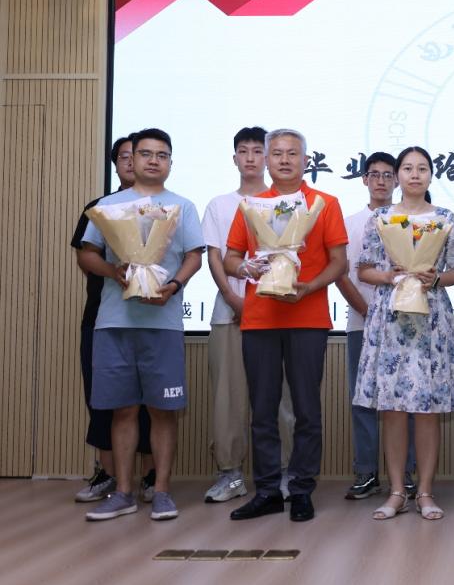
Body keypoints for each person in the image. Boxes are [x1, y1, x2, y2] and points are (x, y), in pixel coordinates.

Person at [78, 128, 205, 521]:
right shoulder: (108, 206)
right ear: (132, 159)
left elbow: (194, 256)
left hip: (163, 323)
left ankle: (161, 491)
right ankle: (123, 492)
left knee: (163, 410)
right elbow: (87, 255)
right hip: (114, 322)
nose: (153, 160)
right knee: (123, 410)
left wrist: (173, 285)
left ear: (170, 163)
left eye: (161, 155)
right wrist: (114, 273)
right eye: (146, 153)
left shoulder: (182, 206)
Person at [224, 128, 347, 523]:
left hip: (308, 317)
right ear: (266, 160)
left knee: (307, 409)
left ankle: (302, 489)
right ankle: (266, 491)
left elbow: (339, 262)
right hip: (259, 319)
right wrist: (246, 268)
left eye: (292, 153)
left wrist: (309, 286)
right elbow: (230, 258)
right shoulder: (250, 206)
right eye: (276, 153)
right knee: (262, 410)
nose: (284, 160)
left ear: (305, 161)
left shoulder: (324, 204)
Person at [354, 146, 454, 521]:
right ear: (397, 176)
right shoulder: (381, 218)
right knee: (392, 410)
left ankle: (425, 492)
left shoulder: (445, 217)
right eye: (407, 168)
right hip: (390, 318)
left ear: (431, 175)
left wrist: (435, 278)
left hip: (431, 319)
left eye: (422, 168)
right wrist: (390, 276)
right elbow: (364, 269)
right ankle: (395, 492)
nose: (415, 174)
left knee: (427, 411)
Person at [201, 126, 299, 504]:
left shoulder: (287, 203)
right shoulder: (220, 204)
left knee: (281, 397)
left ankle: (284, 472)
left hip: (277, 314)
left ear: (270, 157)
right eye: (244, 151)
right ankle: (230, 474)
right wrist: (232, 297)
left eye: (259, 151)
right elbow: (215, 256)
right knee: (228, 397)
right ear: (235, 158)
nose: (252, 158)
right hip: (231, 313)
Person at [71, 135, 155, 503]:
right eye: (123, 156)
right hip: (103, 317)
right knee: (104, 397)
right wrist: (114, 271)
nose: (131, 161)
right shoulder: (99, 208)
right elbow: (84, 258)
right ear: (116, 164)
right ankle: (108, 474)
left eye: (137, 155)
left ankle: (151, 476)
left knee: (151, 401)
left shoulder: (163, 208)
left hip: (152, 318)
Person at [335, 152, 416, 500]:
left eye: (387, 175)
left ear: (396, 180)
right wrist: (368, 311)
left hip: (404, 324)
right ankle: (366, 471)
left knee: (406, 397)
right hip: (361, 322)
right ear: (364, 180)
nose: (381, 181)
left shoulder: (409, 219)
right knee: (363, 399)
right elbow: (341, 273)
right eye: (374, 174)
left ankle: (407, 474)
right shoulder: (350, 222)